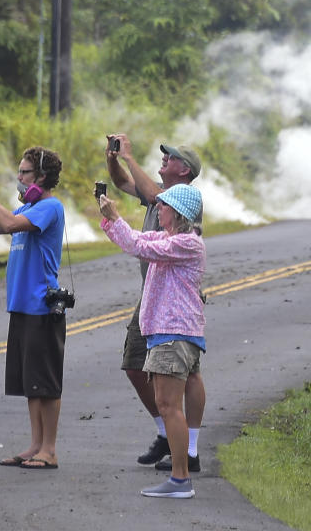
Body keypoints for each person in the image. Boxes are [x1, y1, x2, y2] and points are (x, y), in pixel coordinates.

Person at [105, 135, 206, 472]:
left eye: (171, 157)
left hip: (173, 317)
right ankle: (174, 443)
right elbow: (124, 185)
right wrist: (113, 159)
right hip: (157, 302)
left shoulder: (183, 220)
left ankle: (186, 457)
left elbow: (149, 205)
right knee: (151, 377)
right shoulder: (167, 220)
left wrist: (130, 156)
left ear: (185, 169)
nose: (164, 159)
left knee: (178, 388)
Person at [0, 147, 66, 470]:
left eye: (24, 172)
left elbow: (6, 223)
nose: (19, 178)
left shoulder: (49, 207)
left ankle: (49, 450)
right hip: (21, 306)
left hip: (41, 307)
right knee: (30, 383)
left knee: (45, 382)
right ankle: (35, 445)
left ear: (41, 177)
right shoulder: (32, 207)